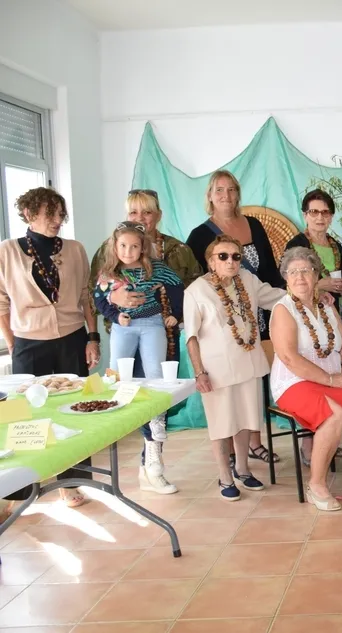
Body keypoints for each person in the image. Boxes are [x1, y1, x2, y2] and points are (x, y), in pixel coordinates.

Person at [89, 189, 201, 492]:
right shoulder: (110, 249)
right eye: (134, 213)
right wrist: (114, 302)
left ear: (158, 215)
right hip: (124, 330)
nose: (141, 219)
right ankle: (146, 464)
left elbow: (190, 287)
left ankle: (152, 464)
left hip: (161, 332)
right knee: (125, 388)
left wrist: (175, 313)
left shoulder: (177, 249)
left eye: (147, 212)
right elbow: (95, 290)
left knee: (158, 388)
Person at [0, 187, 99, 511]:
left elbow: (86, 297)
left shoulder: (74, 249)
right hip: (28, 341)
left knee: (75, 407)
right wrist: (14, 343)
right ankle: (20, 490)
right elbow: (1, 303)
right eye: (50, 213)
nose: (58, 220)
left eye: (60, 213)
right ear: (29, 213)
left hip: (71, 336)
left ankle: (72, 482)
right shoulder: (6, 251)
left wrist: (92, 338)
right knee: (27, 415)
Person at [186, 169, 284, 464]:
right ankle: (228, 453)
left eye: (231, 190)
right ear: (210, 196)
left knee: (252, 381)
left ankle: (253, 443)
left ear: (237, 194)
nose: (225, 195)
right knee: (225, 390)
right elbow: (197, 275)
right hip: (222, 314)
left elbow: (268, 269)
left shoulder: (253, 224)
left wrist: (292, 296)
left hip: (258, 308)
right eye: (219, 190)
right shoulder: (200, 235)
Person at [269, 247, 342, 510]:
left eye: (306, 270)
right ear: (285, 277)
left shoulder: (326, 306)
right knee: (335, 414)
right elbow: (290, 358)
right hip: (293, 384)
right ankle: (316, 485)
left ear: (316, 274)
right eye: (293, 272)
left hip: (329, 380)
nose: (300, 277)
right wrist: (331, 379)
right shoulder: (283, 310)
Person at [183, 235, 286, 501]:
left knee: (246, 419)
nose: (231, 261)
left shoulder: (248, 281)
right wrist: (199, 372)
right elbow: (191, 337)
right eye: (223, 256)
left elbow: (277, 298)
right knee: (221, 424)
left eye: (236, 256)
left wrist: (307, 291)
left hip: (248, 364)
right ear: (210, 262)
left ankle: (242, 469)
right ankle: (224, 476)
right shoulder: (195, 291)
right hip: (216, 370)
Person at [284, 188, 342, 323]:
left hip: (336, 311)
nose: (320, 218)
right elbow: (285, 284)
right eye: (314, 212)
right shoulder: (296, 245)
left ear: (331, 217)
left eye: (325, 212)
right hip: (309, 313)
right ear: (305, 215)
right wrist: (318, 286)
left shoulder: (336, 246)